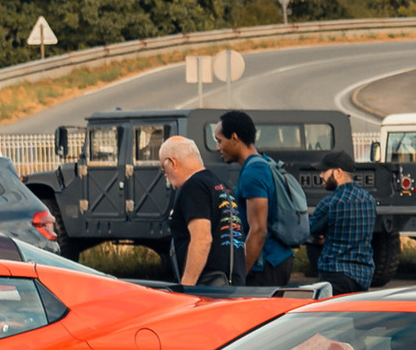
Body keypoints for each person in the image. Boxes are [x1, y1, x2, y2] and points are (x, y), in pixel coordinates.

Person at [218, 110, 289, 289]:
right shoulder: (263, 162)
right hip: (275, 260)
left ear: (234, 138)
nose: (218, 147)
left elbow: (258, 230)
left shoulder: (253, 172)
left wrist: (239, 276)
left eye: (220, 141)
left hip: (265, 265)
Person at [160, 134, 235, 291]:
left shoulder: (194, 186)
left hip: (208, 289)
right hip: (232, 285)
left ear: (172, 162)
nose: (164, 174)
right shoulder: (222, 187)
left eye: (163, 167)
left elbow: (202, 239)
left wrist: (186, 287)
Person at [305, 166, 378, 292]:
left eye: (324, 171)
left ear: (338, 172)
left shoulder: (331, 202)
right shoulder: (369, 200)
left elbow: (306, 231)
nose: (321, 175)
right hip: (363, 277)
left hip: (335, 274)